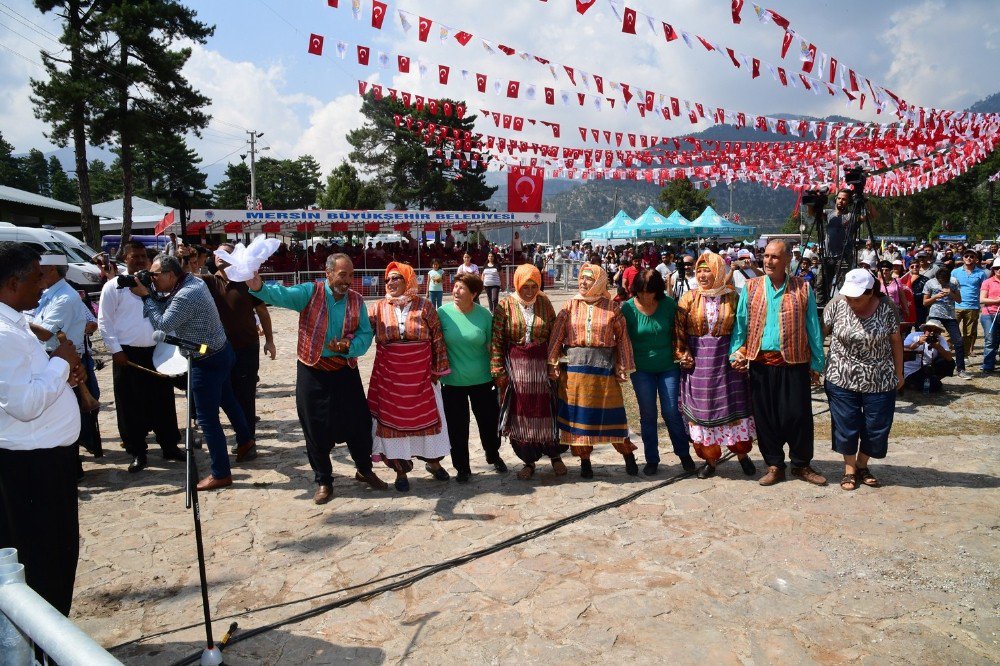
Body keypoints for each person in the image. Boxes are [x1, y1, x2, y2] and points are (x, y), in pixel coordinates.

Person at [248, 255, 387, 503]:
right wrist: (258, 286)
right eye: (342, 275)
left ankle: (364, 470)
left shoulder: (356, 300)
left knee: (359, 424)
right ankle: (324, 480)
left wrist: (348, 345)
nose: (347, 281)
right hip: (313, 371)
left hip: (345, 370)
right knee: (315, 428)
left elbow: (366, 333)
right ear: (328, 273)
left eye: (351, 275)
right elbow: (279, 295)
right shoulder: (309, 293)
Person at [0, 242, 84, 615]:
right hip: (33, 468)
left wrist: (57, 368)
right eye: (37, 278)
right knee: (46, 559)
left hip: (44, 461)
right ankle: (44, 642)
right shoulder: (2, 335)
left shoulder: (14, 325)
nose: (43, 287)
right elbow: (25, 405)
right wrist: (62, 364)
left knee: (55, 553)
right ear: (13, 283)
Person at [131, 254, 254, 491]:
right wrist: (151, 292)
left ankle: (221, 473)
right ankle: (246, 440)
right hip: (220, 351)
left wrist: (146, 297)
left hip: (205, 360)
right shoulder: (192, 282)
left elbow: (163, 325)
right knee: (227, 399)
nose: (152, 278)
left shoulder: (186, 294)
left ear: (170, 275)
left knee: (208, 420)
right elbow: (167, 304)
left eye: (155, 274)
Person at [730, 240, 827, 486]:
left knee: (797, 415)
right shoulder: (751, 288)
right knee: (766, 417)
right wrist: (735, 353)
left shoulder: (802, 288)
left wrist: (817, 362)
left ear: (786, 262)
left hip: (794, 362)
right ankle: (774, 464)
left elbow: (813, 327)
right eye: (766, 256)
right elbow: (741, 323)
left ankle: (801, 464)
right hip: (761, 364)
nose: (769, 261)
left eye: (775, 257)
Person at [98, 241, 183, 472]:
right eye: (134, 256)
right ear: (124, 259)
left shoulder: (155, 284)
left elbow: (168, 313)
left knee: (162, 401)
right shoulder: (114, 287)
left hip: (156, 350)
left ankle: (169, 446)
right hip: (128, 354)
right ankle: (137, 451)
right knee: (131, 405)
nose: (139, 260)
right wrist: (116, 350)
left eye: (143, 256)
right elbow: (104, 322)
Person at [547, 263, 637, 478]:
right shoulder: (570, 306)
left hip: (604, 372)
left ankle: (628, 456)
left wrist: (623, 365)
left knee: (613, 417)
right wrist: (552, 362)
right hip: (575, 373)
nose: (583, 282)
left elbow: (622, 338)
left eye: (588, 279)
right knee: (579, 421)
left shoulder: (612, 307)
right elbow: (557, 336)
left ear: (598, 282)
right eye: (581, 278)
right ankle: (585, 461)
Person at [368, 262, 452, 491]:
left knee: (430, 424)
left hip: (422, 378)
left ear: (408, 280)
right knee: (394, 426)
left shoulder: (424, 306)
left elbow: (437, 338)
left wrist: (437, 371)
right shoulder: (378, 307)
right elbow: (362, 332)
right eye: (387, 280)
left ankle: (434, 464)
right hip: (390, 380)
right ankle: (400, 471)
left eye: (396, 278)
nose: (391, 283)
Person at [675, 253, 756, 479]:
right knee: (703, 414)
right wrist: (683, 353)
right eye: (699, 270)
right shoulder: (688, 299)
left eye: (707, 270)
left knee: (734, 410)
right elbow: (679, 331)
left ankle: (742, 455)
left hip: (728, 365)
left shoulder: (734, 298)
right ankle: (710, 462)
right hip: (698, 366)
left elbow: (745, 328)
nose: (702, 275)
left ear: (719, 272)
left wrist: (741, 353)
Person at [823, 269, 904, 491]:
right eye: (848, 296)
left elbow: (896, 341)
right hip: (841, 376)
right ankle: (849, 469)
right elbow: (820, 333)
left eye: (856, 298)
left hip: (880, 378)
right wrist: (817, 363)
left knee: (876, 427)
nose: (851, 302)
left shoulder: (887, 307)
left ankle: (861, 465)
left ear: (871, 292)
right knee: (846, 424)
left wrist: (899, 372)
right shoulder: (837, 304)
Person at [491, 264, 567, 480]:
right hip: (517, 370)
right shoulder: (504, 305)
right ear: (517, 283)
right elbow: (497, 340)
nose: (530, 291)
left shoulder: (544, 302)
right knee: (522, 414)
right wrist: (498, 371)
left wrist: (554, 364)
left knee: (549, 409)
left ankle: (555, 456)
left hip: (542, 368)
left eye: (534, 286)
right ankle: (528, 460)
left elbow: (554, 335)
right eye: (526, 285)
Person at [622, 269, 695, 475]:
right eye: (642, 291)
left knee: (671, 411)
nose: (645, 296)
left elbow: (682, 333)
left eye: (650, 291)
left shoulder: (669, 306)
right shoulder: (627, 309)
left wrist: (685, 351)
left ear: (657, 290)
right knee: (648, 415)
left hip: (668, 367)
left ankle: (684, 454)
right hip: (641, 369)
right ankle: (651, 458)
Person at [438, 273, 506, 482]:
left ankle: (493, 454)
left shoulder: (485, 316)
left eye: (461, 288)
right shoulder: (442, 313)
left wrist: (499, 372)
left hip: (483, 380)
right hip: (452, 383)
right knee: (457, 427)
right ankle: (462, 467)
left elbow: (494, 347)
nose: (455, 291)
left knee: (489, 423)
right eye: (455, 286)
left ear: (474, 293)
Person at [207, 243, 276, 447]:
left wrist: (269, 341)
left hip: (246, 348)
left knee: (245, 395)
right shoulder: (208, 282)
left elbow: (263, 312)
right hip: (218, 350)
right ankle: (240, 434)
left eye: (226, 253)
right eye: (216, 252)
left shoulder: (247, 283)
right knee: (223, 395)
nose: (220, 256)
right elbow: (182, 279)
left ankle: (248, 440)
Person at [922, 265, 968, 379]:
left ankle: (961, 369)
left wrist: (951, 293)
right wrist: (936, 297)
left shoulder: (953, 282)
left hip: (950, 315)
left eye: (945, 281)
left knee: (958, 341)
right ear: (937, 278)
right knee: (930, 339)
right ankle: (926, 365)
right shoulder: (930, 283)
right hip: (935, 315)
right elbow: (925, 302)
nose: (942, 283)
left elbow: (959, 299)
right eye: (940, 281)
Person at [953, 249, 988, 359]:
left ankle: (964, 356)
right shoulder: (955, 272)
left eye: (971, 256)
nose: (969, 258)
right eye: (966, 256)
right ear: (963, 258)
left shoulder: (981, 273)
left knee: (968, 334)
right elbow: (950, 288)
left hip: (973, 307)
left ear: (976, 259)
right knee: (950, 332)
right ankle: (949, 355)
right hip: (956, 306)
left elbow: (984, 289)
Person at [902, 319, 955, 392]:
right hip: (911, 370)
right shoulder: (914, 335)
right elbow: (902, 349)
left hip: (927, 368)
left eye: (935, 331)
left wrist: (938, 347)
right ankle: (911, 383)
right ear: (924, 329)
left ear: (939, 333)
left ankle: (930, 380)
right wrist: (918, 343)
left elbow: (949, 358)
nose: (932, 332)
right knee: (934, 386)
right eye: (930, 329)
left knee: (949, 363)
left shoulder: (940, 339)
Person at [979, 258, 1000, 373]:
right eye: (997, 268)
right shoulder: (987, 282)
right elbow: (982, 299)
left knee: (997, 340)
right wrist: (996, 301)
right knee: (990, 340)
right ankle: (988, 365)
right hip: (989, 314)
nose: (999, 270)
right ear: (993, 269)